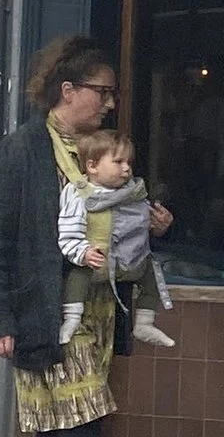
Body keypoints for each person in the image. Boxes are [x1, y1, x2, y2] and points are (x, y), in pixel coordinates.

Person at [0, 36, 171, 437]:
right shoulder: (23, 151)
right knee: (83, 421)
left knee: (57, 432)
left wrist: (152, 222)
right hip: (47, 311)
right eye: (101, 92)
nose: (110, 103)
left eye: (111, 94)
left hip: (99, 307)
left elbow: (120, 217)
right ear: (68, 90)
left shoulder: (101, 149)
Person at [57, 129, 177, 350]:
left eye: (129, 162)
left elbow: (141, 229)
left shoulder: (134, 194)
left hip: (130, 262)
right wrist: (83, 252)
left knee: (152, 273)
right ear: (92, 166)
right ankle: (72, 319)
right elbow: (68, 230)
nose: (126, 168)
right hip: (99, 261)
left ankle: (144, 322)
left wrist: (157, 226)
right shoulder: (80, 195)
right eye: (118, 162)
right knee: (78, 275)